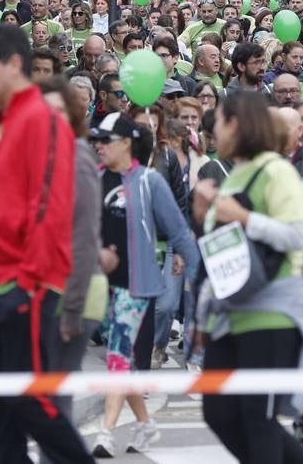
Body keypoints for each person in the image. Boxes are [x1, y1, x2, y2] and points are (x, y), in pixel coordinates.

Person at [0, 24, 90, 462]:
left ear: (14, 65)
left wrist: (27, 282)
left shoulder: (42, 119)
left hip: (25, 286)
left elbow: (50, 210)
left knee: (29, 401)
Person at [193, 91, 303, 464]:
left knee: (257, 419)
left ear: (241, 124)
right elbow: (222, 250)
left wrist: (244, 218)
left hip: (271, 311)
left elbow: (298, 235)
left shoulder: (275, 170)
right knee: (218, 411)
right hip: (229, 312)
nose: (214, 129)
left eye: (222, 121)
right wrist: (202, 214)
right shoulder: (232, 174)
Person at [89, 111, 199, 457]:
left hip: (136, 286)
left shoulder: (150, 181)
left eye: (104, 141)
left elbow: (180, 231)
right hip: (100, 287)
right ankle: (145, 424)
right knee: (119, 357)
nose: (98, 147)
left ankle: (105, 433)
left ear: (125, 144)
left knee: (118, 355)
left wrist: (197, 282)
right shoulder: (95, 177)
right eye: (96, 141)